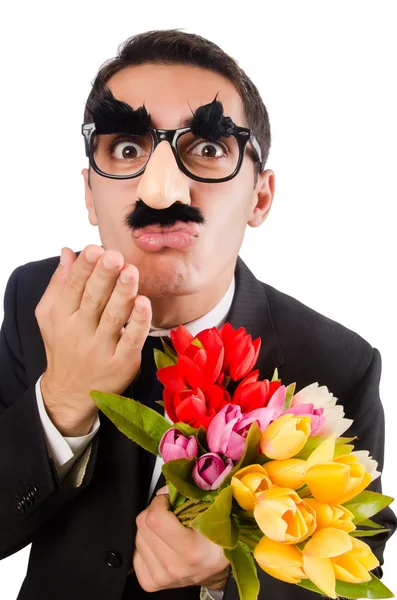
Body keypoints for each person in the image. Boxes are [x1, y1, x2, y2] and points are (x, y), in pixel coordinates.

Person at [0, 29, 395, 600]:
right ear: (90, 193)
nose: (161, 192)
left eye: (208, 149)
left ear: (259, 197)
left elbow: (358, 576)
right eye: (128, 149)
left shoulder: (338, 365)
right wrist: (60, 404)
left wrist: (229, 571)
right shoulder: (37, 300)